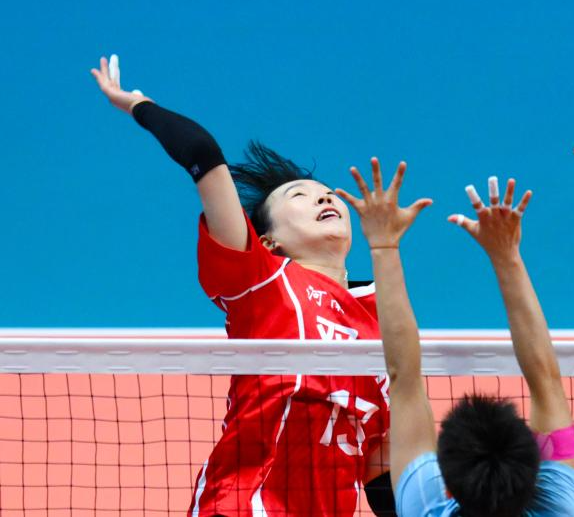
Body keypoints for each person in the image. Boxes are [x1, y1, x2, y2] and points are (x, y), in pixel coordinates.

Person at [90, 55, 395, 517]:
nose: (323, 197)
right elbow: (203, 154)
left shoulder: (380, 320)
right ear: (269, 240)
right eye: (299, 196)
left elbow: (380, 472)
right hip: (242, 506)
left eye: (327, 194)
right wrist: (138, 104)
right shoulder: (261, 279)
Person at [335, 162, 574, 516]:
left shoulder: (426, 507)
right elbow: (546, 377)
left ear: (447, 487)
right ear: (535, 472)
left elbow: (403, 376)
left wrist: (383, 245)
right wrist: (507, 256)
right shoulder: (563, 507)